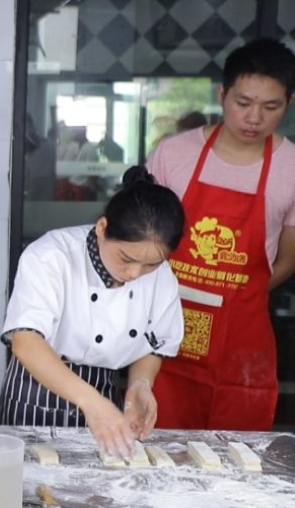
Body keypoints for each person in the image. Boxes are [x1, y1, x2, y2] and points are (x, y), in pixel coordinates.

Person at [148, 38, 295, 431]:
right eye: (243, 103)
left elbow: (287, 260)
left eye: (270, 107)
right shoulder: (174, 154)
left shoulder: (291, 168)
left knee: (237, 461)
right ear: (222, 94)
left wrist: (238, 292)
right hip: (169, 329)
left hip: (243, 345)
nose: (254, 118)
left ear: (289, 104)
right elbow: (141, 241)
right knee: (162, 453)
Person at [0, 166, 186, 458]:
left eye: (151, 265)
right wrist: (92, 403)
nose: (135, 273)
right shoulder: (51, 256)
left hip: (105, 391)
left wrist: (139, 384)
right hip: (36, 391)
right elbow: (26, 341)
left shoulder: (163, 277)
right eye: (126, 258)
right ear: (102, 228)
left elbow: (154, 342)